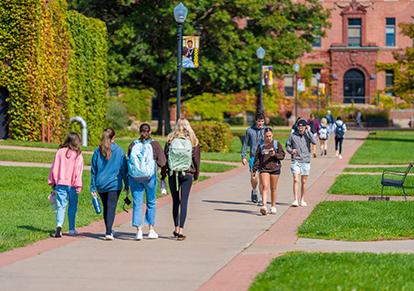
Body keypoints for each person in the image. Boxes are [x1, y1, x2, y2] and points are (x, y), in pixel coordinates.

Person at [161, 119, 200, 241]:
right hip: (187, 173)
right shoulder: (193, 141)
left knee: (175, 201)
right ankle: (181, 229)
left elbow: (164, 159)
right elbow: (196, 160)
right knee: (184, 201)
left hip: (173, 173)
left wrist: (163, 174)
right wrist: (196, 174)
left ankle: (176, 227)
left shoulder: (170, 139)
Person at [128, 123, 166, 241]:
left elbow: (129, 160)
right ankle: (151, 229)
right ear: (150, 132)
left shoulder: (133, 144)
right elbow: (162, 162)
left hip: (135, 178)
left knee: (137, 203)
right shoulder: (155, 144)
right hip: (150, 178)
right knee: (151, 202)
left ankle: (139, 230)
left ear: (140, 132)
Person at [90, 128, 129, 241]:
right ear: (113, 138)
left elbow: (94, 170)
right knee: (111, 207)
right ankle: (108, 231)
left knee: (106, 207)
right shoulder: (119, 151)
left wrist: (92, 186)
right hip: (114, 184)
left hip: (100, 184)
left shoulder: (97, 151)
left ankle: (109, 229)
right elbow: (124, 170)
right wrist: (126, 185)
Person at [48, 132, 84, 238]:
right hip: (72, 184)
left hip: (60, 183)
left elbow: (54, 167)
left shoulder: (59, 152)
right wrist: (78, 184)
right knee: (72, 206)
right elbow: (78, 171)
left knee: (61, 206)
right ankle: (72, 229)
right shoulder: (78, 154)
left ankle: (59, 226)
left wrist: (52, 181)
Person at [252, 128, 285, 215]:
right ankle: (264, 206)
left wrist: (275, 155)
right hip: (264, 169)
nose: (268, 138)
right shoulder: (261, 146)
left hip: (275, 169)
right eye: (267, 136)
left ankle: (273, 206)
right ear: (264, 136)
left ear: (272, 135)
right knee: (265, 186)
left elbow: (282, 155)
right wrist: (254, 170)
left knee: (273, 188)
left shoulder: (276, 144)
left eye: (270, 136)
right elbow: (257, 159)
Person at [286, 119, 317, 207]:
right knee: (296, 179)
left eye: (302, 127)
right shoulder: (292, 135)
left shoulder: (308, 135)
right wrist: (291, 151)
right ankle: (295, 200)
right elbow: (287, 145)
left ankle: (302, 199)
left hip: (306, 161)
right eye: (299, 127)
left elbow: (314, 142)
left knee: (303, 182)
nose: (300, 129)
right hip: (296, 160)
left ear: (305, 127)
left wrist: (309, 131)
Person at [241, 112, 266, 204]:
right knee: (254, 178)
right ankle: (254, 190)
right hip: (253, 157)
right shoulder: (249, 130)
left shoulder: (266, 130)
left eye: (262, 121)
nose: (260, 123)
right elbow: (245, 144)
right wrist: (243, 156)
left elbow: (270, 142)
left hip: (264, 157)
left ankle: (260, 198)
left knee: (262, 179)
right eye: (259, 121)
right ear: (256, 121)